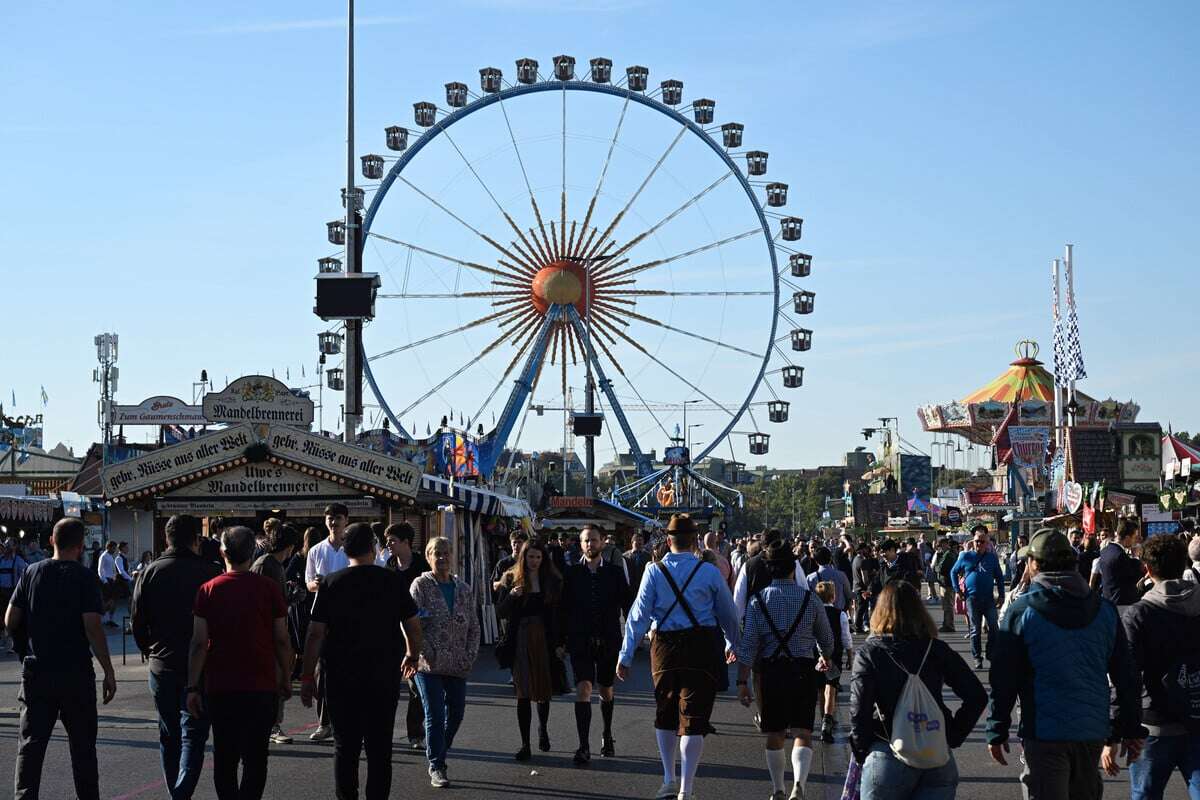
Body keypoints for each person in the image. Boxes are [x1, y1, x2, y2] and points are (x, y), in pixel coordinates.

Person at [986, 528, 1144, 800]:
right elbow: (1126, 676)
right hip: (1092, 729)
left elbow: (1004, 679)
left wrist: (997, 729)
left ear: (1034, 564)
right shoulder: (1104, 610)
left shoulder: (1021, 612)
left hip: (1043, 730)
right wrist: (1129, 728)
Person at [618, 514, 740, 800]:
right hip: (700, 647)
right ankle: (687, 789)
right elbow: (728, 615)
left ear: (669, 540)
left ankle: (668, 779)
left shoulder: (653, 570)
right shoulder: (709, 572)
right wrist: (735, 644)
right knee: (693, 719)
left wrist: (625, 656)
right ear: (695, 540)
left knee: (665, 711)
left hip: (664, 649)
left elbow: (637, 616)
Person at [300, 522, 423, 800]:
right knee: (380, 748)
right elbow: (414, 625)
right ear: (373, 547)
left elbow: (315, 634)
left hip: (341, 676)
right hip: (382, 675)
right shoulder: (392, 581)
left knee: (345, 748)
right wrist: (412, 655)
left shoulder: (331, 583)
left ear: (345, 549)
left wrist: (307, 676)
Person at [6, 518, 117, 800]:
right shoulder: (84, 577)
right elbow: (92, 626)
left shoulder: (31, 572)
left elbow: (11, 619)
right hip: (75, 672)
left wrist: (23, 648)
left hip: (37, 671)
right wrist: (108, 669)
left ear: (52, 541)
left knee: (31, 746)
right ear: (80, 546)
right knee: (82, 749)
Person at [850, 581, 986, 800]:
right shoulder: (935, 649)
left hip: (887, 748)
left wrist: (862, 749)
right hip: (935, 751)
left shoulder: (870, 653)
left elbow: (859, 711)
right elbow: (976, 695)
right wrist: (953, 734)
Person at [187, 525, 292, 800]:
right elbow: (281, 639)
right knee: (256, 758)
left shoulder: (208, 590)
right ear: (252, 551)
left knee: (225, 755)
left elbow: (199, 643)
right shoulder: (269, 588)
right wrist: (286, 676)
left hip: (220, 684)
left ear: (223, 552)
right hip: (261, 682)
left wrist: (192, 687)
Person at [131, 514, 222, 799]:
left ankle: (176, 791)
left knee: (168, 734)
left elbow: (137, 621)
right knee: (194, 736)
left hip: (162, 663)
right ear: (196, 539)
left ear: (165, 539)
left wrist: (149, 648)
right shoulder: (210, 574)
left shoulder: (150, 571)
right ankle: (181, 792)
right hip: (201, 664)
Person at [735, 540, 833, 800]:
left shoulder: (757, 602)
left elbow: (747, 647)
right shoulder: (811, 600)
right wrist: (825, 656)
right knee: (803, 731)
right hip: (802, 669)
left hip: (770, 672)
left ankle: (778, 788)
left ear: (769, 570)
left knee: (775, 733)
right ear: (793, 568)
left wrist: (742, 682)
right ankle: (798, 786)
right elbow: (827, 639)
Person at [1115, 534, 1200, 798]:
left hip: (1153, 723)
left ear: (1148, 569)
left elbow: (1126, 675)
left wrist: (1120, 727)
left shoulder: (1139, 614)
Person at [410, 536, 480, 789]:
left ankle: (440, 747)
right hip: (428, 663)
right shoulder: (420, 585)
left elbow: (474, 625)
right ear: (428, 557)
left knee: (457, 713)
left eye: (445, 553)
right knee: (435, 714)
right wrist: (425, 650)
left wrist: (469, 654)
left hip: (458, 663)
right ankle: (437, 764)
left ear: (452, 556)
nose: (441, 558)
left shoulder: (464, 588)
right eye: (436, 553)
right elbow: (412, 622)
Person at [560, 525, 632, 764]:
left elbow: (629, 607)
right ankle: (583, 746)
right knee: (583, 688)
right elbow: (563, 609)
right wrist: (560, 641)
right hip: (580, 640)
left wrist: (632, 640)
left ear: (603, 542)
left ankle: (607, 734)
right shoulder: (571, 574)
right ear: (580, 544)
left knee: (605, 689)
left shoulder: (614, 572)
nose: (589, 544)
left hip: (609, 639)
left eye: (593, 540)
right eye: (585, 541)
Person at [495, 538, 565, 761]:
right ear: (523, 557)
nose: (534, 561)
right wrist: (512, 596)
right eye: (530, 556)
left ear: (543, 558)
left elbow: (560, 614)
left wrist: (561, 644)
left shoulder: (552, 580)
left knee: (543, 690)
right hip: (520, 638)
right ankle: (525, 743)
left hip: (544, 639)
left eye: (538, 556)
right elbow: (500, 612)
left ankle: (542, 728)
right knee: (522, 692)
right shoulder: (510, 577)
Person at [381, 522, 431, 749]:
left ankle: (415, 733)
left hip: (415, 631)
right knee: (387, 685)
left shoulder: (422, 566)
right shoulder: (388, 566)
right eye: (387, 541)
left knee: (416, 686)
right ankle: (381, 730)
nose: (388, 545)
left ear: (406, 542)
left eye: (392, 541)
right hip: (391, 631)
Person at [251, 522, 302, 745]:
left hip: (269, 630)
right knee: (275, 679)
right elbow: (268, 603)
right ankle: (272, 725)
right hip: (268, 632)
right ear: (289, 546)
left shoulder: (270, 564)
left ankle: (270, 723)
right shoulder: (268, 566)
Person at [305, 503, 352, 741]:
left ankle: (349, 723)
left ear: (346, 520)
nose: (334, 523)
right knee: (321, 671)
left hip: (349, 617)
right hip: (322, 617)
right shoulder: (316, 550)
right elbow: (308, 584)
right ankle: (324, 723)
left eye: (338, 518)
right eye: (330, 519)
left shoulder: (352, 548)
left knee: (350, 670)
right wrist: (319, 584)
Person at [949, 527, 1005, 669]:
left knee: (994, 627)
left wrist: (1002, 595)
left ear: (987, 543)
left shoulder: (992, 558)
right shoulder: (965, 556)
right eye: (976, 541)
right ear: (972, 541)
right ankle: (977, 657)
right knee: (975, 629)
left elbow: (999, 577)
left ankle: (991, 653)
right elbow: (953, 572)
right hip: (971, 598)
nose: (978, 544)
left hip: (988, 598)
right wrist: (957, 590)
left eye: (982, 542)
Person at [815, 580, 853, 744]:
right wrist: (850, 655)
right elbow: (846, 637)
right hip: (834, 654)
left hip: (816, 654)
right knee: (831, 687)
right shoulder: (840, 614)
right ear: (833, 596)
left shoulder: (814, 612)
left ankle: (823, 716)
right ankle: (828, 720)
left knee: (820, 688)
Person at [287, 526, 324, 679]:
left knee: (300, 635)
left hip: (300, 601)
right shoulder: (319, 553)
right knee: (314, 634)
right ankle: (313, 666)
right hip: (315, 598)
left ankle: (299, 667)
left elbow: (287, 574)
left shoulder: (299, 556)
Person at [1098, 517, 1145, 607]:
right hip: (1122, 603)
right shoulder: (1119, 555)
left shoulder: (1105, 551)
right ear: (1127, 538)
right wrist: (1136, 556)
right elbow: (1134, 577)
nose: (1135, 541)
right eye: (1134, 537)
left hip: (1109, 601)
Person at [1, 536, 29, 651]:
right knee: (2, 618)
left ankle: (14, 643)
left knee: (14, 619)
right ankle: (4, 640)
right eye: (5, 544)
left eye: (9, 544)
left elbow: (27, 573)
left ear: (14, 547)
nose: (6, 546)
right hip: (1, 593)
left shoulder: (18, 560)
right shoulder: (1, 559)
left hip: (13, 593)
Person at [805, 546, 853, 612]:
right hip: (839, 614)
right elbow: (849, 595)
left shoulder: (810, 578)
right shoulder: (841, 575)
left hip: (819, 615)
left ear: (816, 561)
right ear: (830, 559)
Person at [96, 540, 131, 627]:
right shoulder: (103, 556)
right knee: (108, 601)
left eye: (115, 548)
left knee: (114, 600)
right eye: (113, 548)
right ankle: (101, 616)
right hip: (106, 580)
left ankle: (110, 619)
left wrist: (114, 578)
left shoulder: (111, 556)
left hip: (112, 580)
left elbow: (113, 569)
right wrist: (105, 581)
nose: (115, 550)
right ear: (108, 547)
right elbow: (100, 570)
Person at [491, 530, 529, 598]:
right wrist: (504, 581)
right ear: (510, 544)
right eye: (514, 542)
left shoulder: (529, 563)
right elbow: (494, 586)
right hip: (506, 602)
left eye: (519, 542)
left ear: (525, 544)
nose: (516, 545)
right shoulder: (502, 564)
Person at [932, 538, 959, 633]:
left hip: (947, 583)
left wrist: (936, 566)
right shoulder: (947, 554)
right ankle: (946, 623)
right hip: (945, 582)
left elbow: (941, 568)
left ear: (945, 544)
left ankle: (949, 625)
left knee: (948, 605)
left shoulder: (948, 555)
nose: (940, 548)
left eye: (941, 545)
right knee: (946, 605)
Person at [852, 541, 879, 634]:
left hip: (856, 586)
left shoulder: (855, 559)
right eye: (866, 549)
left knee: (861, 607)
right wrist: (873, 574)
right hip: (862, 588)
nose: (867, 550)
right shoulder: (863, 561)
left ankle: (858, 627)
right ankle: (858, 627)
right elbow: (865, 579)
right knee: (862, 608)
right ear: (863, 549)